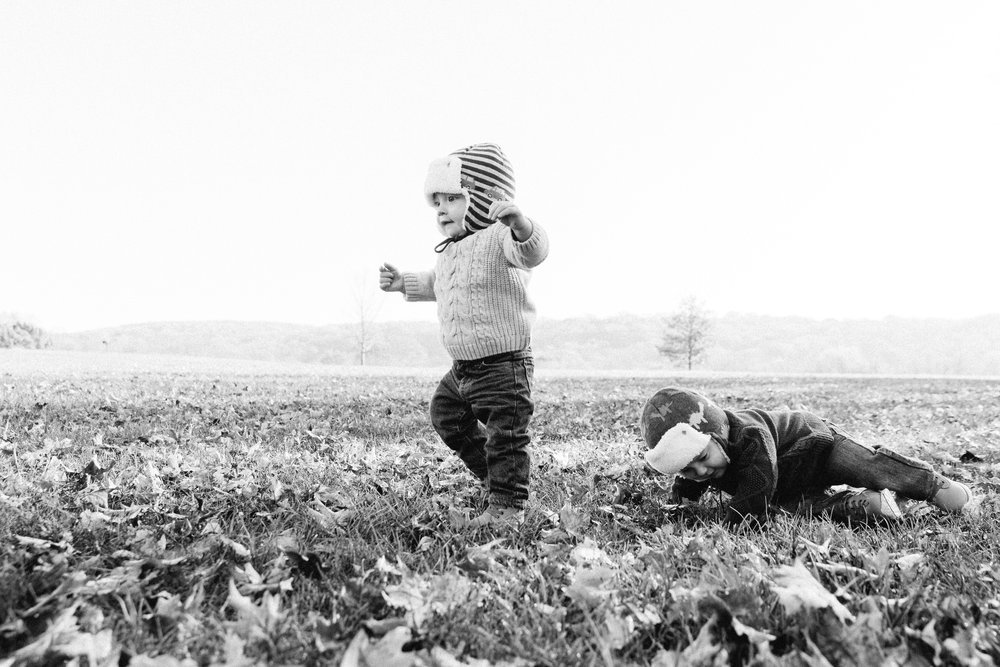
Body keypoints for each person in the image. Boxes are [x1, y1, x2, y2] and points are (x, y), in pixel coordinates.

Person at [379, 143, 549, 528]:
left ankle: (508, 506)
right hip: (463, 369)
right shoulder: (452, 250)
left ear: (486, 200)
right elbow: (439, 283)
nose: (441, 209)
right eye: (436, 200)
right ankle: (494, 477)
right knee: (446, 416)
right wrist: (402, 283)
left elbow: (532, 252)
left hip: (504, 366)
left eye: (453, 198)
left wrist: (520, 224)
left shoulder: (499, 238)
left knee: (506, 436)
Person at [639, 386, 974, 526]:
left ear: (717, 433)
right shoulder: (701, 463)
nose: (701, 470)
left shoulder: (748, 435)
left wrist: (736, 522)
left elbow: (758, 483)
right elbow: (690, 485)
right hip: (784, 479)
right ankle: (858, 505)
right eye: (688, 469)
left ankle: (931, 485)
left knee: (867, 464)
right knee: (790, 507)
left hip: (813, 443)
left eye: (702, 456)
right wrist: (681, 501)